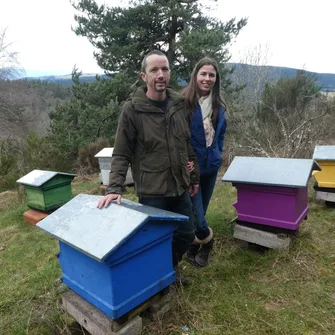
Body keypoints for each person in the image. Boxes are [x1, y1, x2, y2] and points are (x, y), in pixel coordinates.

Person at [97, 50, 200, 284]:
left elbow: (185, 142)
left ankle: (167, 269)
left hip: (179, 184)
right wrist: (114, 188)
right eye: (154, 70)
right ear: (144, 76)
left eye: (164, 69)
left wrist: (193, 177)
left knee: (187, 233)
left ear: (170, 73)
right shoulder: (132, 109)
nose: (160, 74)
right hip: (152, 189)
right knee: (156, 238)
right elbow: (121, 152)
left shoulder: (178, 103)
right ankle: (160, 277)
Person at [181, 57, 227, 268]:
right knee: (197, 218)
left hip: (211, 168)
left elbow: (220, 135)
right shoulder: (184, 103)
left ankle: (194, 244)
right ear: (195, 76)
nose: (207, 79)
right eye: (204, 74)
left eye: (212, 75)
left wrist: (217, 153)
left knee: (202, 211)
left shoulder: (218, 106)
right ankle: (208, 242)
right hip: (192, 170)